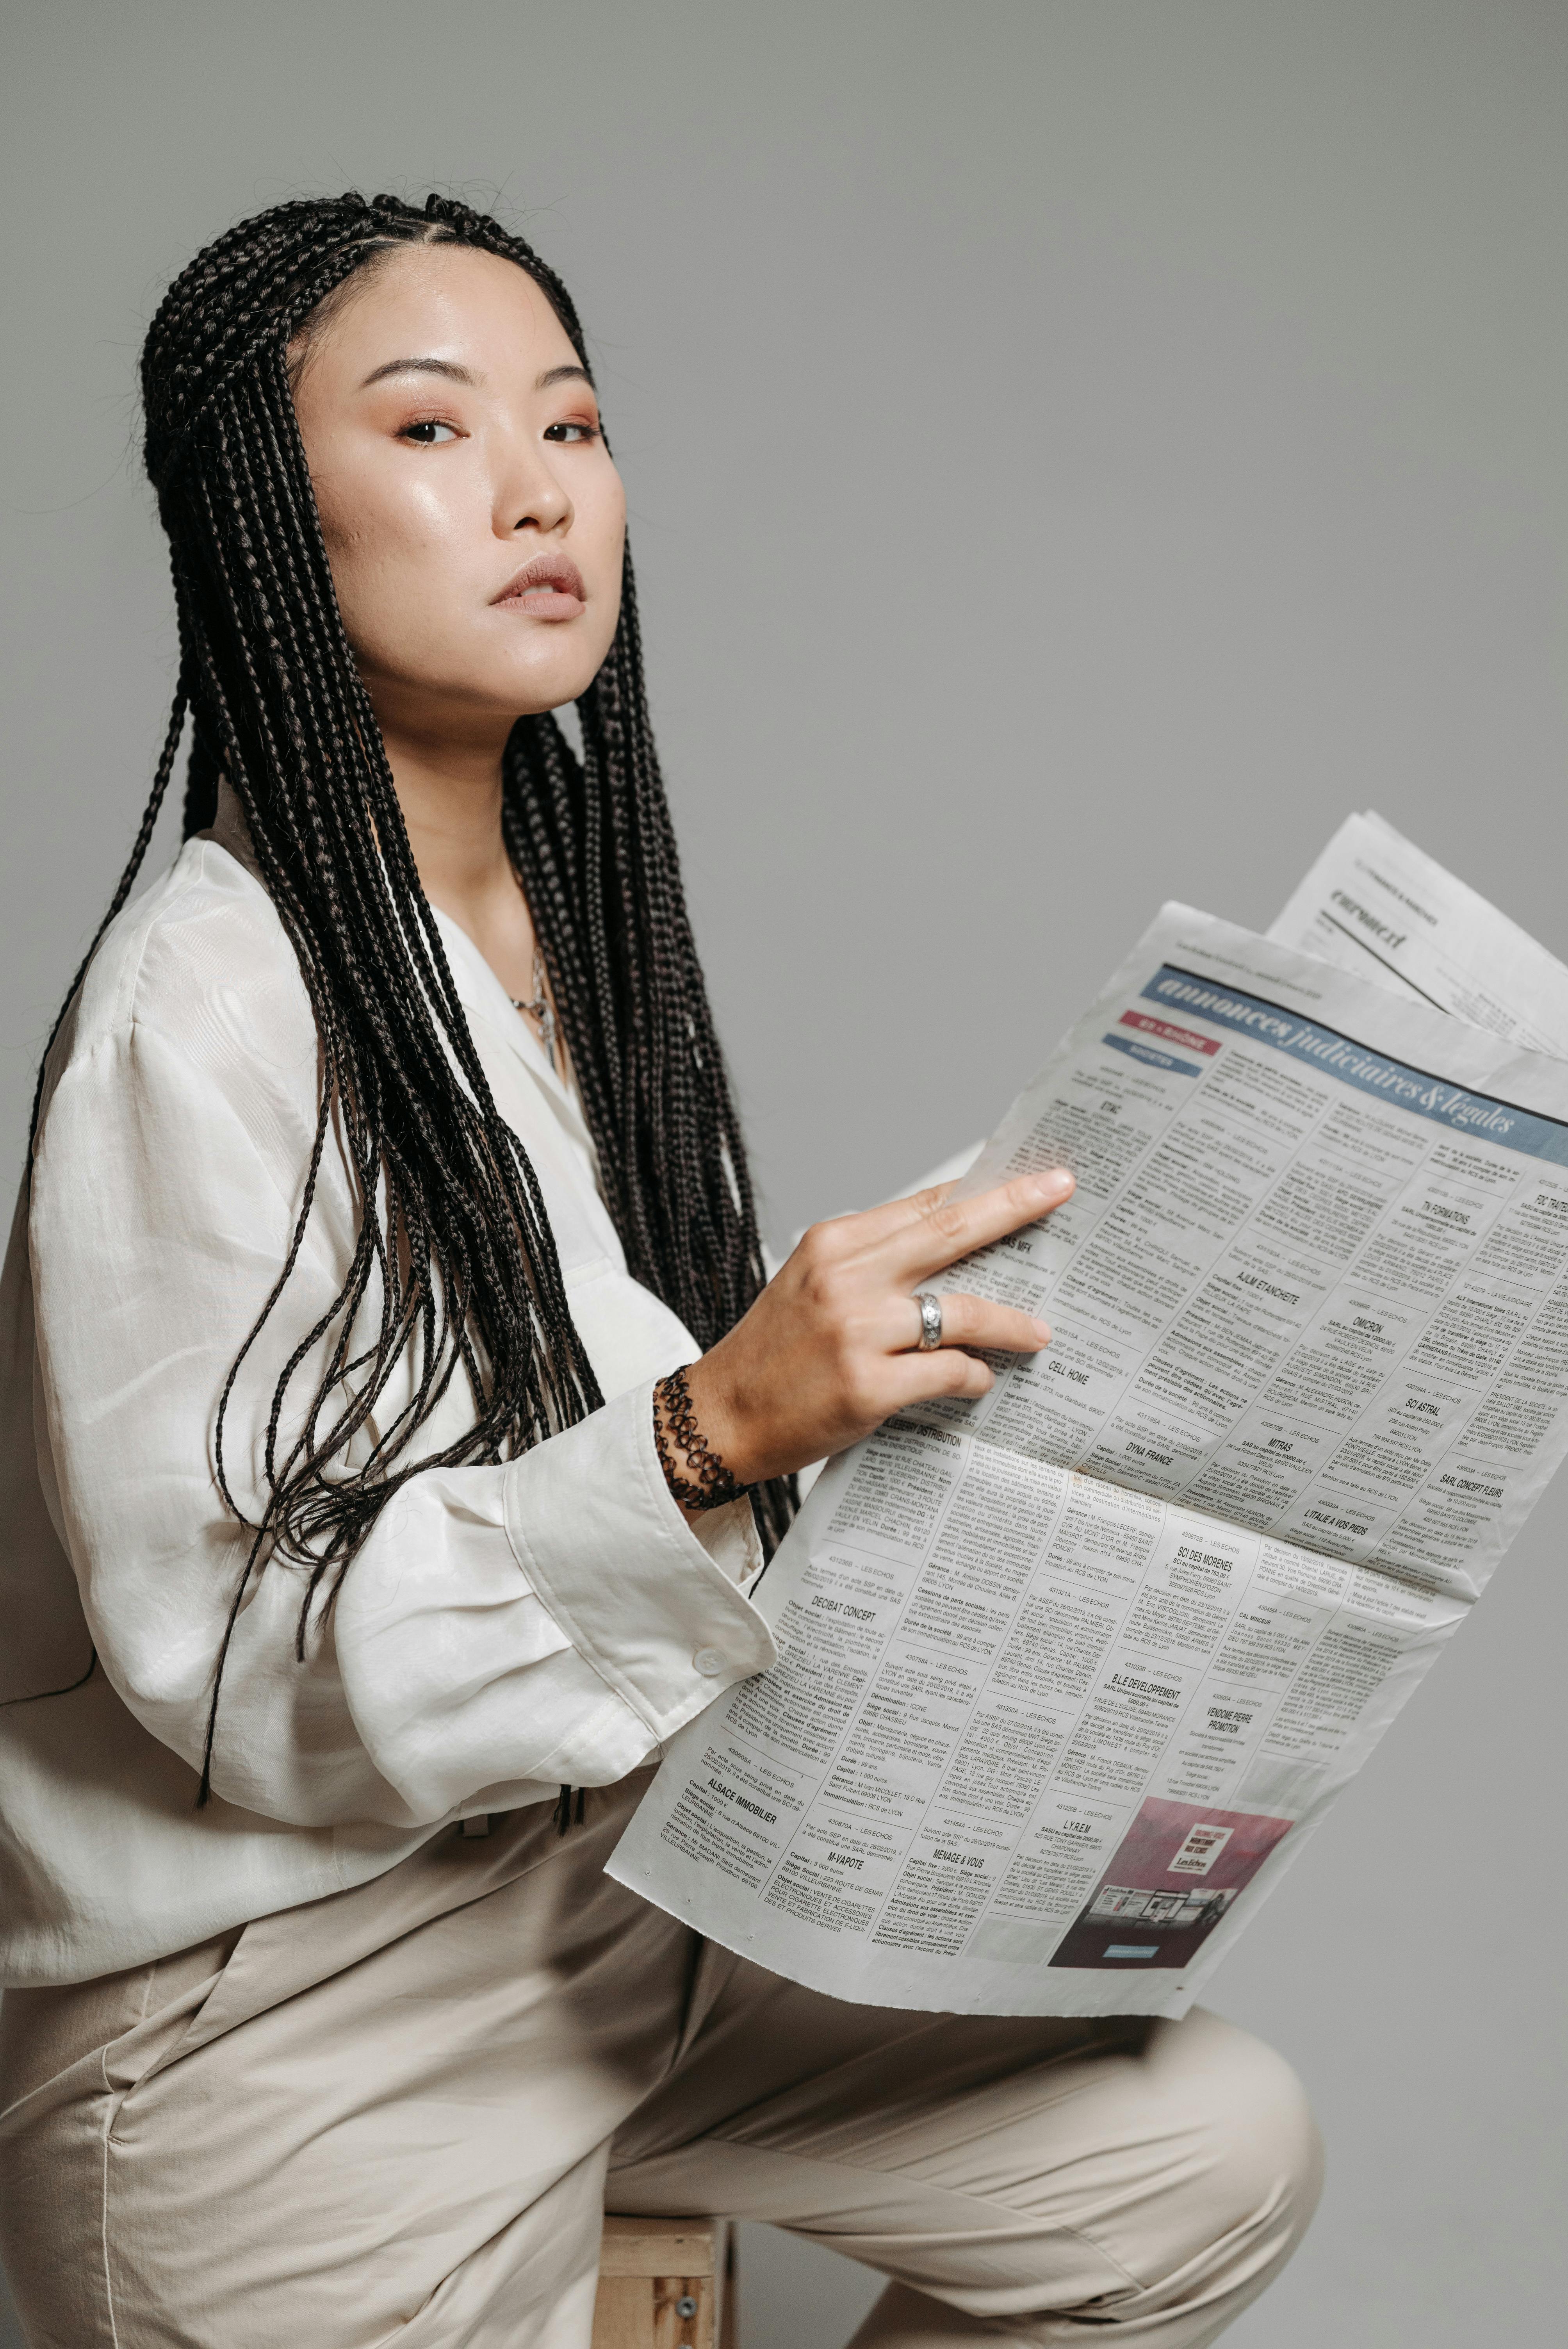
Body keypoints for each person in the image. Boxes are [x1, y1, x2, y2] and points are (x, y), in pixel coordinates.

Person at [0, 192, 1320, 2348]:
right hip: (282, 2015)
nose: (539, 490)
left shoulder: (560, 941)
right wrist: (719, 1429)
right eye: (430, 431)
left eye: (576, 425)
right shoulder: (205, 1004)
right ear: (262, 519)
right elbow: (238, 1668)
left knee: (1199, 2151)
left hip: (598, 1920)